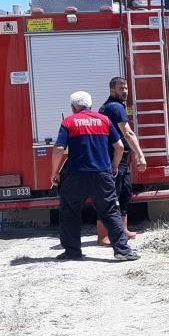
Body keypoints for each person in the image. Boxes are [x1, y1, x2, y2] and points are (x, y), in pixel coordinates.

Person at [51, 91, 140, 261]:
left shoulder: (69, 122)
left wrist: (54, 173)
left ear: (73, 107)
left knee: (70, 211)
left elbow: (58, 149)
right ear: (90, 105)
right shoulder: (104, 120)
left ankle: (72, 252)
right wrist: (114, 166)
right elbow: (120, 146)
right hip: (102, 174)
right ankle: (122, 251)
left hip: (75, 175)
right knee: (110, 211)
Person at [96, 76, 148, 246]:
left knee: (124, 194)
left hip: (122, 158)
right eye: (121, 88)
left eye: (125, 88)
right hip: (113, 158)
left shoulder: (116, 106)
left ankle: (123, 230)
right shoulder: (114, 107)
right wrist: (140, 154)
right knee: (111, 197)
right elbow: (128, 133)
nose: (125, 91)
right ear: (112, 90)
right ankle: (103, 236)